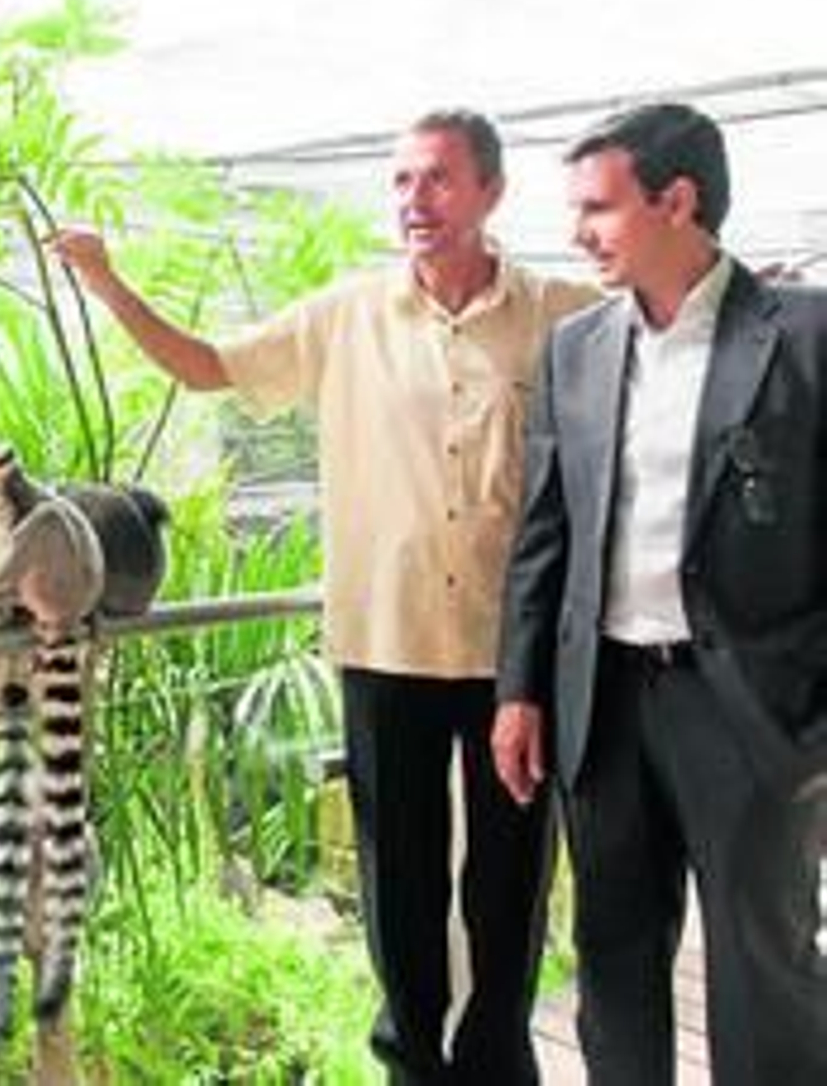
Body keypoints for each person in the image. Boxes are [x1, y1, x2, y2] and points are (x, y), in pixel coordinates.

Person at [52, 110, 598, 1084]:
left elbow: (656, 329)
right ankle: (412, 1063)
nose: (411, 201)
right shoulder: (345, 314)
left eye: (434, 180)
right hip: (385, 642)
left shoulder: (561, 310)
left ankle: (497, 1060)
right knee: (399, 878)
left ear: (489, 192)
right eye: (399, 182)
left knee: (511, 876)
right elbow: (206, 365)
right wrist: (106, 282)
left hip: (515, 654)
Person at [495, 101, 827, 1085]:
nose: (577, 232)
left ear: (675, 200)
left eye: (597, 207)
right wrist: (519, 688)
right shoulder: (576, 348)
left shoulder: (804, 335)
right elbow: (542, 531)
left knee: (763, 962)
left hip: (750, 709)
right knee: (613, 955)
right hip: (603, 705)